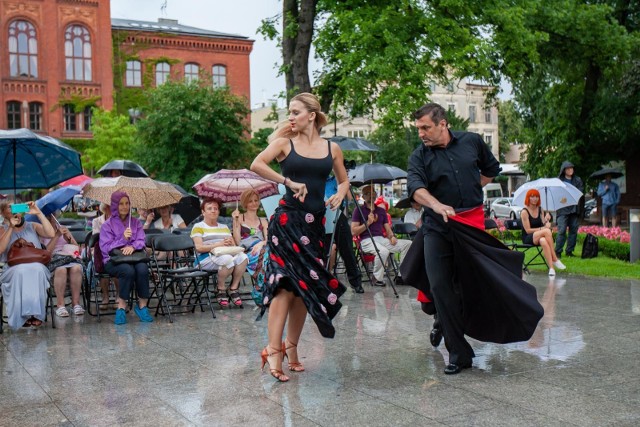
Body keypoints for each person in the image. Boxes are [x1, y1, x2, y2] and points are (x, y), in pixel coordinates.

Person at [250, 92, 349, 382]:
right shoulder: (283, 144)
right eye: (289, 112)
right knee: (283, 287)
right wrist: (287, 181)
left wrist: (339, 195)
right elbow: (256, 164)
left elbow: (344, 181)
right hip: (286, 223)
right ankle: (273, 351)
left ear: (312, 115)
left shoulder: (332, 149)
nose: (290, 116)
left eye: (295, 112)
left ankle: (291, 349)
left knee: (303, 292)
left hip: (314, 226)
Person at [406, 102, 501, 374]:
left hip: (470, 225)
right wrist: (436, 205)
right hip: (437, 227)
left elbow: (490, 169)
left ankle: (442, 320)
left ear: (443, 124)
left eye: (426, 127)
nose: (421, 133)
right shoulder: (419, 156)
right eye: (418, 129)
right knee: (439, 286)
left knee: (467, 286)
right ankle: (459, 354)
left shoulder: (472, 142)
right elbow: (416, 188)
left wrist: (473, 186)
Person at [99, 191, 153, 325]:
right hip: (113, 260)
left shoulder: (135, 223)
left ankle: (142, 307)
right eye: (121, 204)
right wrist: (122, 239)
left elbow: (141, 240)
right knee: (127, 271)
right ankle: (121, 308)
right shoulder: (107, 225)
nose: (124, 206)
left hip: (134, 257)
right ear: (114, 205)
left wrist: (133, 247)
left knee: (142, 269)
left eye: (127, 203)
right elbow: (105, 248)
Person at [0, 201, 55, 329]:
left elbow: (51, 234)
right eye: (10, 207)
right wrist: (11, 228)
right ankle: (23, 315)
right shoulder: (2, 229)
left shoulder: (32, 226)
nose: (14, 210)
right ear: (3, 213)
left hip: (36, 265)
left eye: (16, 206)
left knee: (38, 270)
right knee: (21, 271)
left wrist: (39, 213)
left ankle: (35, 314)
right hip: (12, 268)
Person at [191, 197, 248, 308]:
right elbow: (199, 248)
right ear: (203, 212)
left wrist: (235, 223)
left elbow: (234, 245)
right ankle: (220, 288)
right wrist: (219, 244)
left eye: (216, 208)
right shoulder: (198, 227)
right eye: (209, 208)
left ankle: (233, 288)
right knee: (227, 259)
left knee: (243, 257)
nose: (213, 210)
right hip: (204, 258)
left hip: (224, 256)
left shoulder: (224, 227)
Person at [351, 185, 411, 286]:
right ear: (363, 197)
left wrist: (391, 236)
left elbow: (387, 229)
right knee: (383, 251)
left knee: (408, 244)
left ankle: (401, 276)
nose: (371, 195)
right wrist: (368, 223)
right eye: (367, 193)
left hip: (381, 239)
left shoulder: (381, 211)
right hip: (366, 240)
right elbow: (353, 232)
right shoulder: (358, 210)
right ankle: (377, 278)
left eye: (373, 192)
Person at [323, 175, 364, 294]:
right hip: (321, 216)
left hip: (337, 214)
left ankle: (356, 282)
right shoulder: (314, 179)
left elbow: (350, 198)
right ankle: (323, 281)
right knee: (323, 250)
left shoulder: (335, 180)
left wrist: (345, 182)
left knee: (347, 249)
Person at [43, 214, 84, 317]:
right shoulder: (41, 230)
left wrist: (68, 238)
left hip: (68, 256)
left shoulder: (62, 227)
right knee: (61, 270)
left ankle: (76, 303)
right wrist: (56, 236)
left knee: (77, 268)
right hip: (54, 259)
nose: (51, 219)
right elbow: (46, 252)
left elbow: (77, 249)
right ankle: (60, 305)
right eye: (48, 217)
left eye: (52, 216)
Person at [520, 189, 566, 276]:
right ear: (528, 198)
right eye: (532, 196)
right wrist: (543, 228)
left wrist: (546, 220)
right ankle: (555, 258)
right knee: (546, 231)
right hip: (528, 237)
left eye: (537, 196)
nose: (535, 198)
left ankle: (551, 268)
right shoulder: (524, 212)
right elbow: (528, 230)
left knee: (543, 241)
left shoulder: (540, 209)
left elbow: (544, 224)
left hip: (540, 236)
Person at [231, 189, 269, 281]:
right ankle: (261, 285)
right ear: (245, 203)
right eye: (250, 201)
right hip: (248, 252)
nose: (254, 203)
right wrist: (235, 221)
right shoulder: (239, 218)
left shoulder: (263, 221)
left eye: (256, 200)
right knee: (268, 256)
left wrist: (261, 243)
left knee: (271, 254)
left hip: (263, 249)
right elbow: (237, 241)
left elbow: (268, 239)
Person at [93, 203, 119, 309]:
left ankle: (119, 296)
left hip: (116, 253)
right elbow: (96, 238)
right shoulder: (97, 221)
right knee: (103, 266)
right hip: (101, 253)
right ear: (105, 208)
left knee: (118, 265)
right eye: (109, 206)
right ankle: (105, 297)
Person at [555, 161, 584, 257]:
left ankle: (569, 251)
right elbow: (556, 194)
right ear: (564, 170)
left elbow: (580, 193)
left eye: (571, 168)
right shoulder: (559, 181)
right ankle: (558, 251)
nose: (570, 170)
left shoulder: (578, 180)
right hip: (562, 209)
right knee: (562, 230)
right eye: (568, 168)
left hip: (574, 209)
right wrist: (561, 198)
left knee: (573, 230)